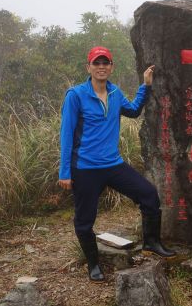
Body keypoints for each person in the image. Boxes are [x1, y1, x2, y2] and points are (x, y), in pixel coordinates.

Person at [58, 46, 176, 283]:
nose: (101, 67)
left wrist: (145, 85)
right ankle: (93, 264)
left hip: (113, 164)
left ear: (111, 67)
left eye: (105, 63)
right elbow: (66, 134)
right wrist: (65, 172)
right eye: (96, 63)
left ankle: (151, 243)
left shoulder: (114, 93)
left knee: (149, 195)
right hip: (85, 168)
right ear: (88, 67)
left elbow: (132, 111)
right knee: (84, 220)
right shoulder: (76, 95)